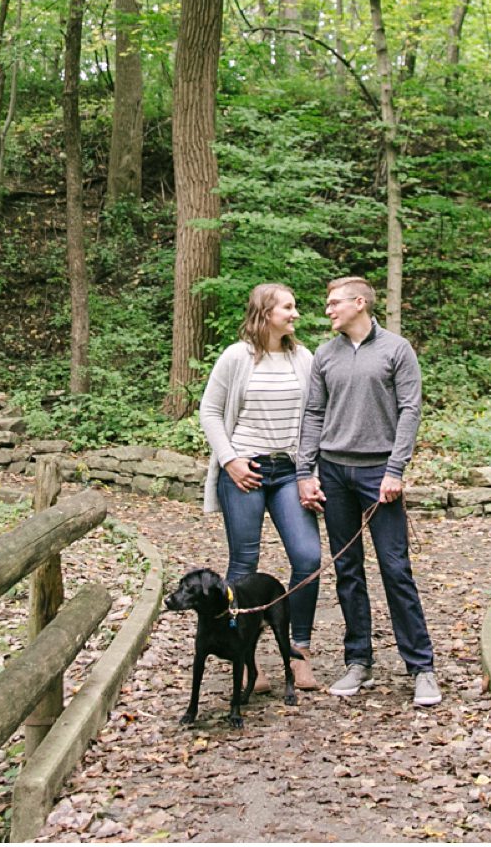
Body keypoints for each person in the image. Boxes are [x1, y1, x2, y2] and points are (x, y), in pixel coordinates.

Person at [296, 276, 440, 707]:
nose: (328, 310)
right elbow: (314, 412)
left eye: (334, 302)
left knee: (395, 569)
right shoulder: (325, 354)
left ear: (360, 303)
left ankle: (421, 668)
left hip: (380, 474)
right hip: (334, 474)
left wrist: (395, 470)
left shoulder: (397, 349)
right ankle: (359, 660)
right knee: (347, 571)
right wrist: (306, 470)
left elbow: (410, 410)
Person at [197, 282, 323, 690]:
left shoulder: (302, 358)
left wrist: (310, 471)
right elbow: (210, 412)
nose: (296, 314)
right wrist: (230, 460)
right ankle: (245, 657)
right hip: (245, 472)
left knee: (307, 558)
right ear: (265, 311)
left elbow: (316, 416)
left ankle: (298, 650)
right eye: (288, 307)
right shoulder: (236, 357)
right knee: (243, 565)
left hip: (289, 471)